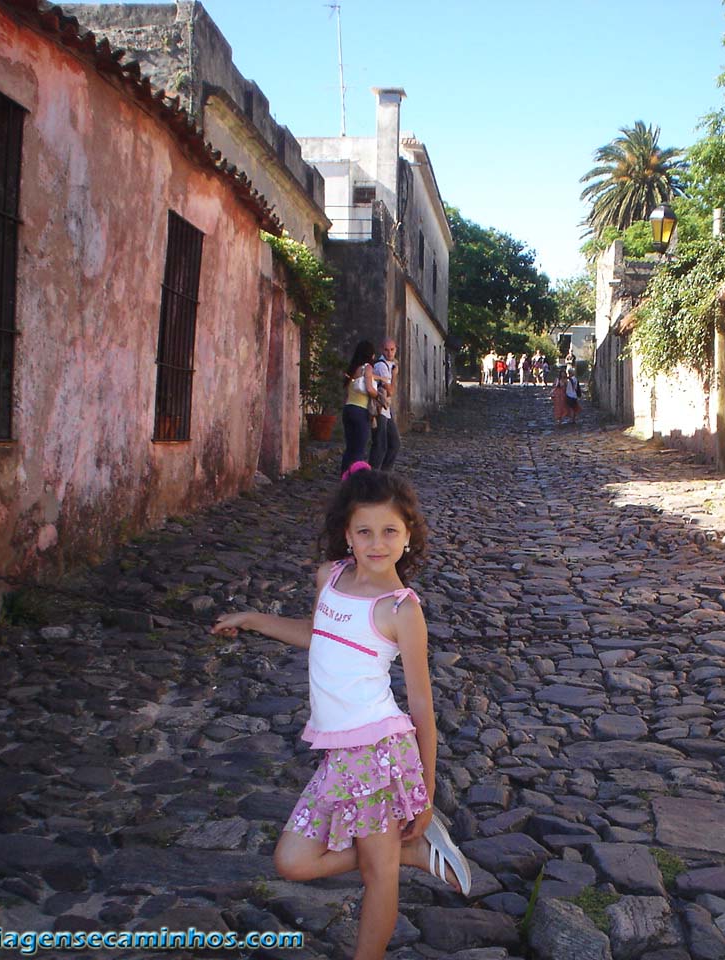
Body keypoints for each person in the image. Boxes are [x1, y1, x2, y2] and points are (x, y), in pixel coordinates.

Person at [212, 469, 471, 960]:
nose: (377, 543)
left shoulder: (400, 610)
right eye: (364, 531)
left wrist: (426, 793)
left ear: (409, 534)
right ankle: (410, 853)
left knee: (378, 876)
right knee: (292, 861)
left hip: (377, 753)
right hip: (340, 755)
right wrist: (252, 620)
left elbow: (421, 705)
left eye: (390, 531)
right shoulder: (329, 577)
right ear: (347, 534)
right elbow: (318, 634)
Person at [341, 341, 378, 479]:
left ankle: (344, 478)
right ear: (370, 354)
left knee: (349, 448)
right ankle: (355, 481)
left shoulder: (353, 368)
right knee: (359, 449)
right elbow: (369, 388)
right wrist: (377, 395)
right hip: (360, 411)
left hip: (348, 409)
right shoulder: (367, 368)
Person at [369, 338, 400, 471]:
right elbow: (391, 391)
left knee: (394, 443)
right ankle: (373, 474)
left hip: (386, 410)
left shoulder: (390, 364)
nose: (389, 353)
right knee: (380, 445)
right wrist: (394, 375)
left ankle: (384, 474)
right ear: (382, 350)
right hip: (379, 409)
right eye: (387, 350)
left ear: (395, 350)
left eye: (392, 350)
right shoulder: (382, 366)